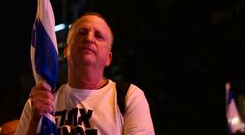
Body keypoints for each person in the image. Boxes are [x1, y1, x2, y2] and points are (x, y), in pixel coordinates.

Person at [16, 12, 155, 134]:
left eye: (99, 36)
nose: (89, 39)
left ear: (108, 58)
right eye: (82, 33)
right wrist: (35, 120)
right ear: (66, 51)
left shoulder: (129, 97)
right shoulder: (42, 100)